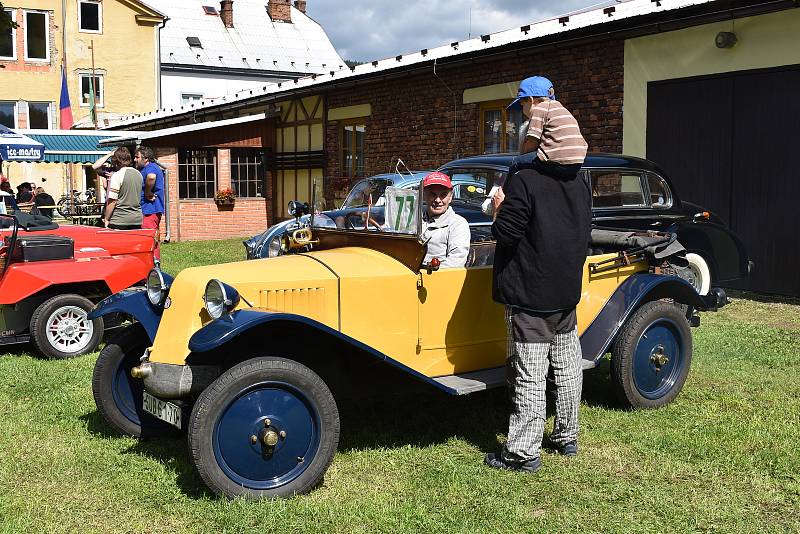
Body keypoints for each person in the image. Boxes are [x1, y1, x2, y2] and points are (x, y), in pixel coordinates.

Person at [484, 76, 591, 473]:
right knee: (566, 364)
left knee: (530, 372)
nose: (519, 119)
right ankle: (567, 436)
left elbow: (506, 233)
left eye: (522, 110)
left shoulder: (526, 179)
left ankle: (522, 452)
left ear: (534, 109)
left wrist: (498, 207)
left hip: (530, 291)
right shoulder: (579, 180)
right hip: (565, 287)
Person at [420, 171, 470, 268]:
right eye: (433, 194)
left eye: (443, 195)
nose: (438, 200)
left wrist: (426, 270)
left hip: (438, 278)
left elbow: (456, 262)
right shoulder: (414, 220)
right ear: (424, 195)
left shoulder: (458, 224)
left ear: (450, 197)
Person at [134, 146, 165, 262]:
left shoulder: (151, 167)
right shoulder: (144, 169)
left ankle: (153, 266)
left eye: (137, 157)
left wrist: (147, 192)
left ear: (146, 158)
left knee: (149, 238)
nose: (135, 159)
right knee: (150, 237)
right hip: (147, 209)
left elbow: (151, 178)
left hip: (150, 210)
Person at [103, 147, 143, 230]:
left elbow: (112, 201)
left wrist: (106, 218)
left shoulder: (117, 175)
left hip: (119, 220)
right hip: (137, 219)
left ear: (115, 161)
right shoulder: (138, 174)